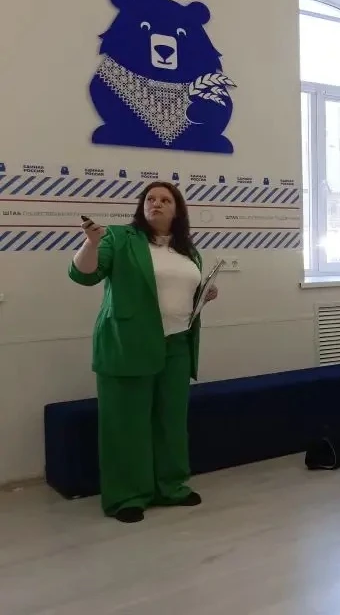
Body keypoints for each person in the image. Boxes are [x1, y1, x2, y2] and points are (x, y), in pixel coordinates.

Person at [67, 181, 218, 523]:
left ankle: (171, 486)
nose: (156, 203)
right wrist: (91, 243)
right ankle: (127, 496)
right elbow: (83, 275)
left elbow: (177, 292)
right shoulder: (120, 238)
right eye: (150, 198)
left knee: (170, 421)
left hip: (177, 344)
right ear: (141, 206)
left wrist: (203, 295)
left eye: (165, 199)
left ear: (177, 210)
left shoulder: (187, 250)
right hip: (127, 343)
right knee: (126, 424)